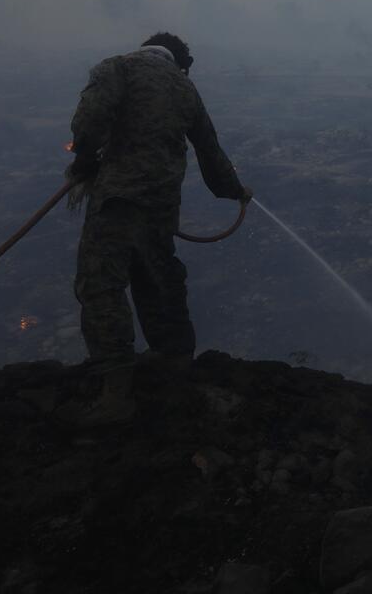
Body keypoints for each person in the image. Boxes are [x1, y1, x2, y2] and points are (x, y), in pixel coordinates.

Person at [64, 32, 251, 424]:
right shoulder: (186, 89)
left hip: (117, 200)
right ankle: (175, 362)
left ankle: (116, 395)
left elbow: (90, 118)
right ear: (179, 64)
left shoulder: (117, 67)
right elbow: (211, 152)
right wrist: (236, 191)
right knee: (157, 278)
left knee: (101, 285)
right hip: (162, 205)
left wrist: (85, 159)